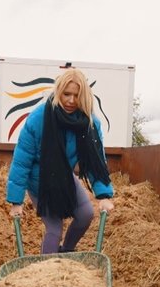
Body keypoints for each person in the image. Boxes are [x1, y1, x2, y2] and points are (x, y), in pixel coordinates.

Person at [6, 67, 115, 254]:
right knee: (55, 229)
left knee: (85, 214)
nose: (71, 100)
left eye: (76, 95)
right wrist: (16, 200)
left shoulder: (89, 123)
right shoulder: (39, 119)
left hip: (64, 175)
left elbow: (95, 162)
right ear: (58, 92)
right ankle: (47, 271)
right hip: (39, 180)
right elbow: (21, 161)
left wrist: (103, 195)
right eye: (66, 94)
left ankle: (65, 253)